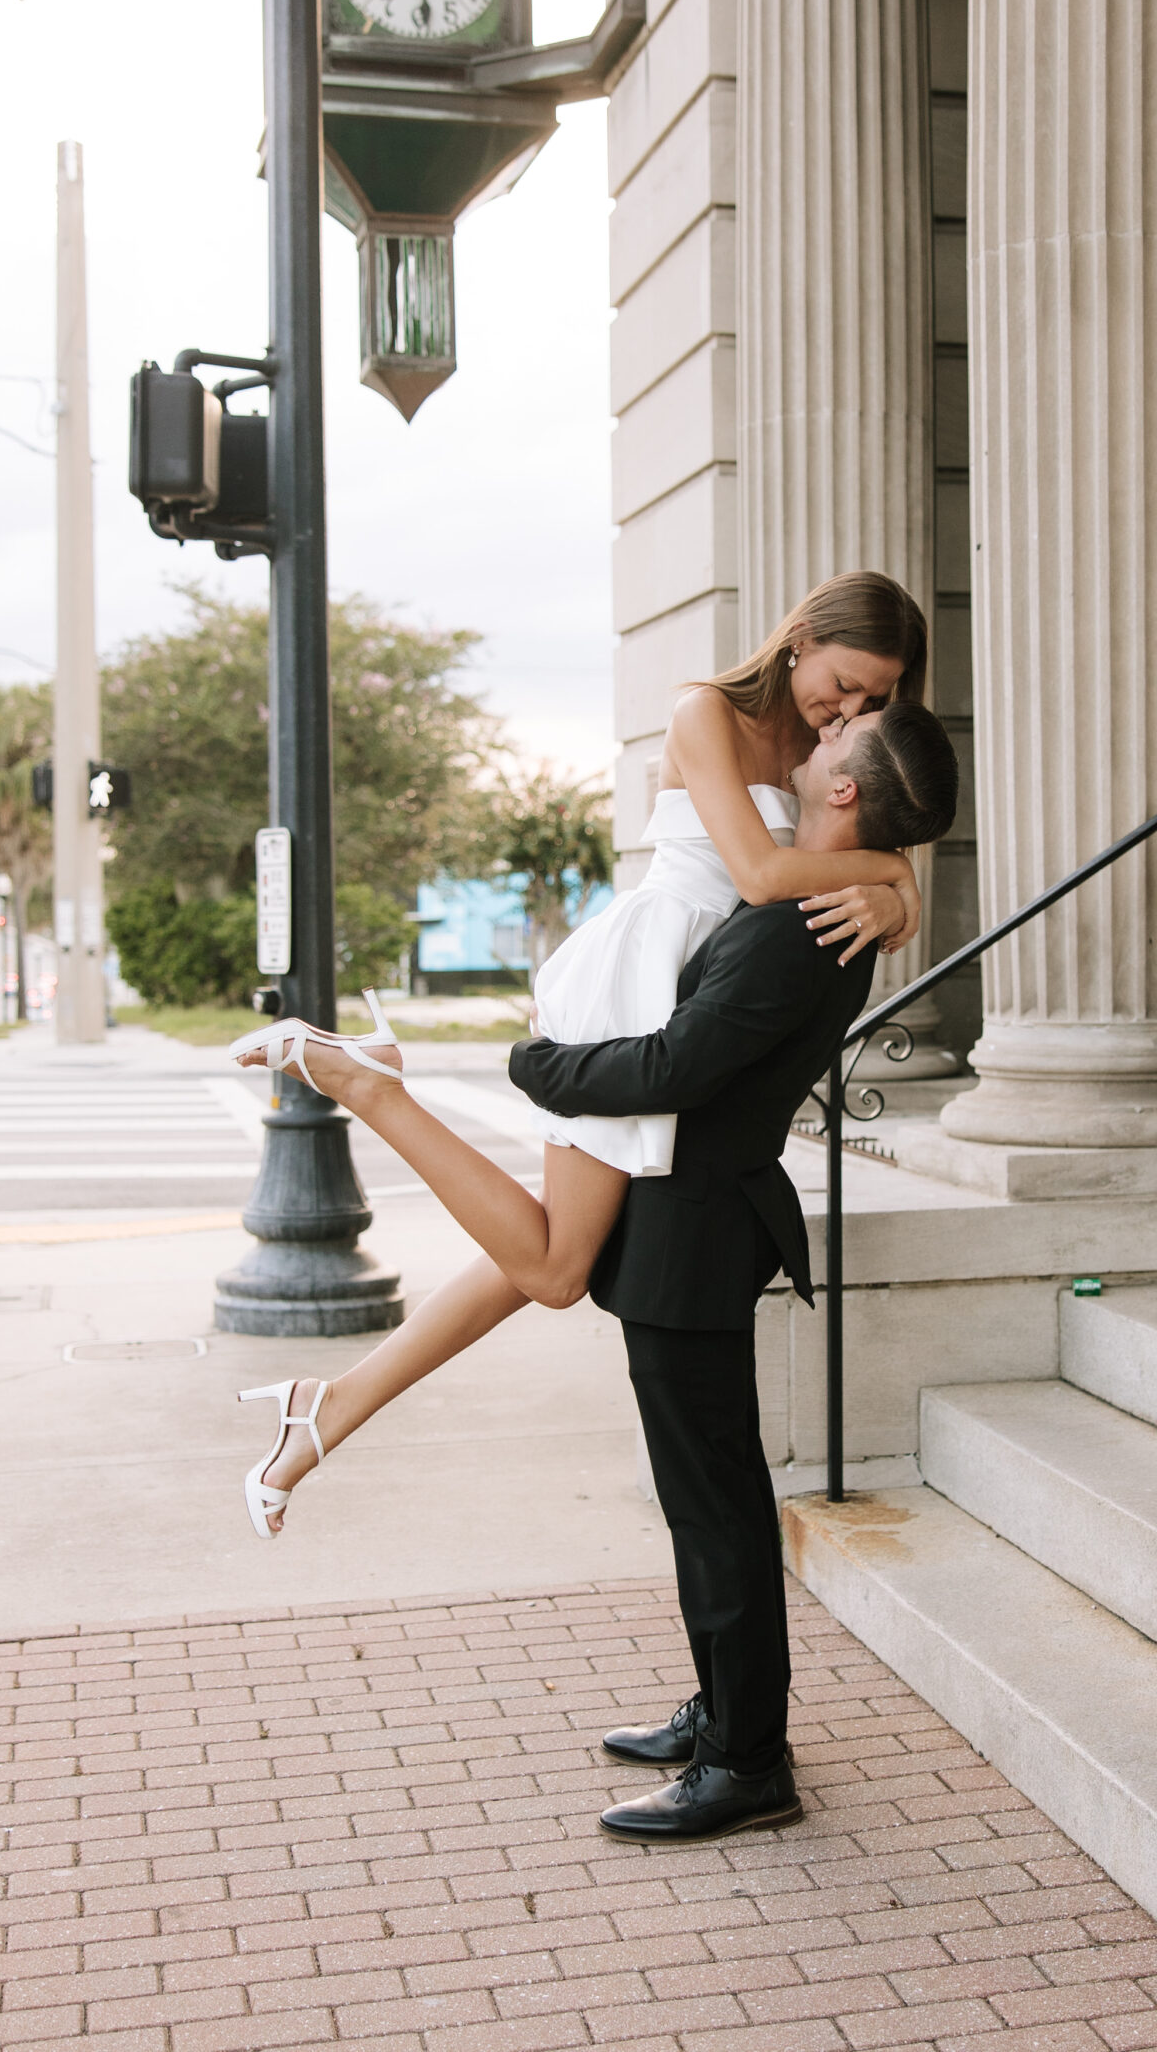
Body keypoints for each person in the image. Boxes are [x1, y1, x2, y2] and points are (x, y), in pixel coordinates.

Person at [236, 697, 960, 1844]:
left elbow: (673, 1062)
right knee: (700, 1501)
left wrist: (535, 1064)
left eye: (829, 746)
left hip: (698, 1242)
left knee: (715, 1507)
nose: (813, 742)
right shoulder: (812, 900)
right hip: (692, 1226)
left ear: (845, 793)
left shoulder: (801, 926)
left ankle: (746, 1760)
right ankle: (722, 1712)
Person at [234, 571, 930, 1532]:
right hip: (639, 984)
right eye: (843, 684)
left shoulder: (833, 753)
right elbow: (766, 875)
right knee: (558, 1268)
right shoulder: (708, 714)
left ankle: (331, 1404)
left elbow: (881, 834)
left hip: (693, 1000)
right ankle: (369, 1089)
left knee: (555, 1255)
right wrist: (895, 883)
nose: (845, 710)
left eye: (871, 703)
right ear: (802, 636)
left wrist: (902, 889)